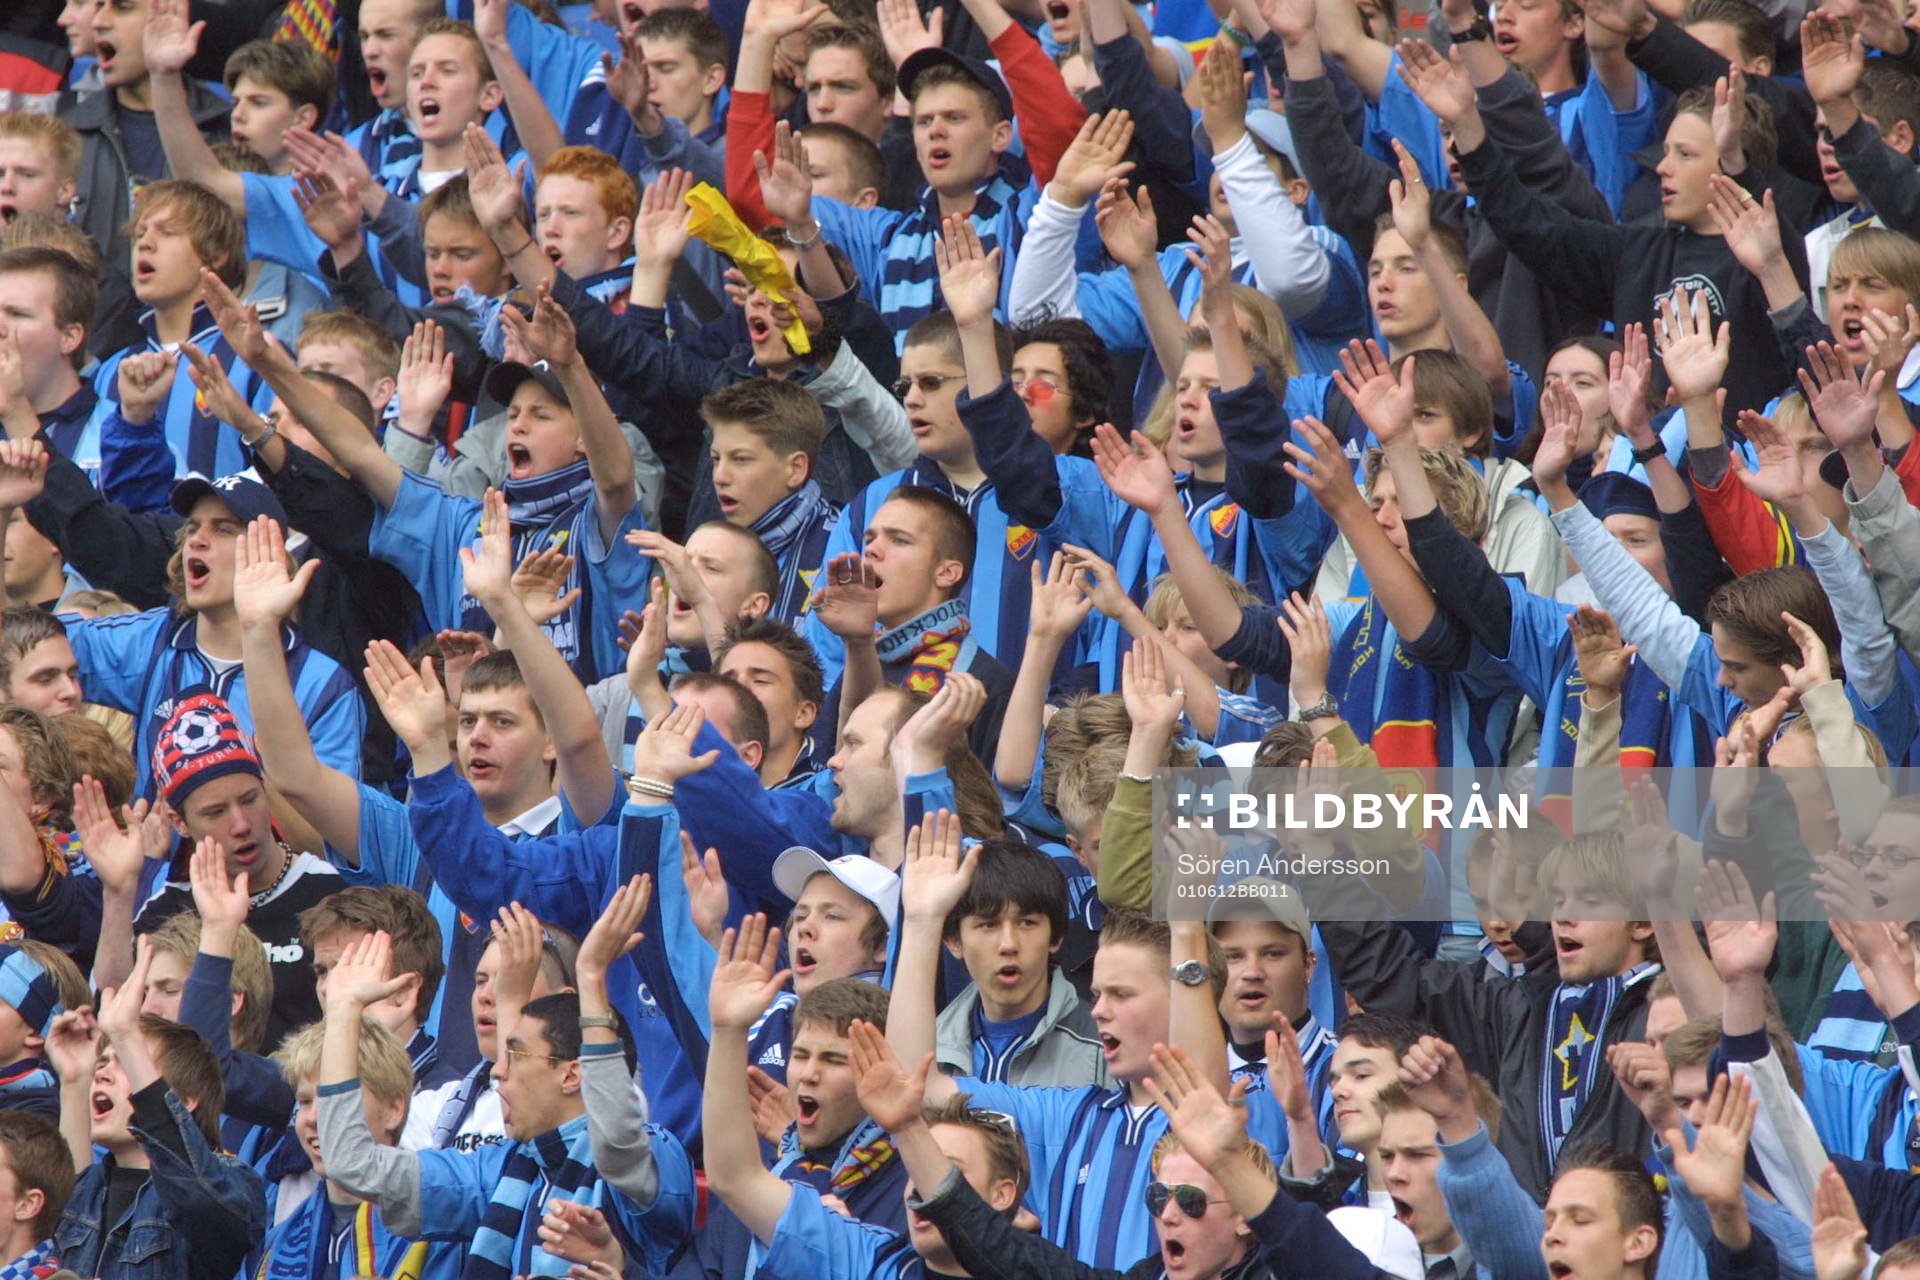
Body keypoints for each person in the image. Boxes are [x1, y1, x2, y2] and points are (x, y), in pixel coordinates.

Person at [42, 938, 266, 1280]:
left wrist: (127, 1035)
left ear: (186, 1099)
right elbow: (66, 1186)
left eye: (126, 1064)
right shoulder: (89, 1186)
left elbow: (198, 1194)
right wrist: (75, 1080)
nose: (103, 1071)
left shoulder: (231, 1180)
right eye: (104, 1061)